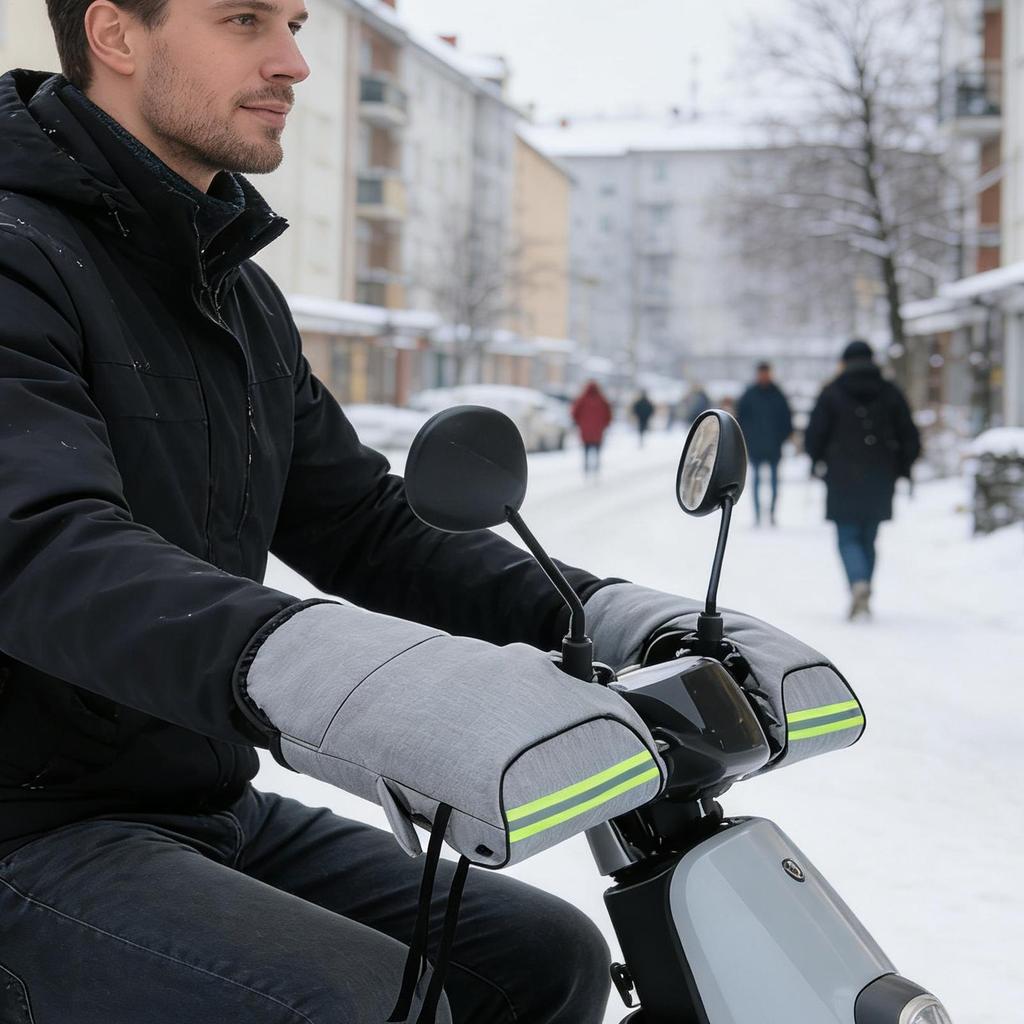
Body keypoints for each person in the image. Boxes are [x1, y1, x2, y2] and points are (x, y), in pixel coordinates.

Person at [0, 5, 848, 1022]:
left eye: (296, 22)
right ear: (116, 35)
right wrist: (350, 675)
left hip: (194, 799)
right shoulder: (18, 254)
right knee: (366, 1003)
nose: (294, 62)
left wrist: (611, 616)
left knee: (548, 959)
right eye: (243, 20)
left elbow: (367, 526)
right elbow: (42, 548)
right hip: (29, 823)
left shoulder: (235, 298)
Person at [804, 340, 921, 620]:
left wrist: (818, 459)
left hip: (842, 474)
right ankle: (865, 584)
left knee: (846, 536)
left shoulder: (832, 393)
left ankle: (857, 582)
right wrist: (902, 466)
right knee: (869, 537)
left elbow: (814, 433)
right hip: (881, 474)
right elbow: (909, 435)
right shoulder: (890, 392)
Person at [737, 361, 793, 526]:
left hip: (774, 446)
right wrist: (747, 438)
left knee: (775, 483)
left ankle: (772, 513)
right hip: (755, 446)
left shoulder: (778, 394)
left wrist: (781, 438)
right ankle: (757, 515)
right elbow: (741, 419)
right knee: (755, 482)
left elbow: (786, 419)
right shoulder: (749, 394)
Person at [571, 379, 613, 475]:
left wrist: (579, 423)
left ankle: (586, 466)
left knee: (586, 449)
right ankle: (596, 466)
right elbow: (608, 414)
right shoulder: (602, 400)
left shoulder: (582, 399)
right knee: (597, 449)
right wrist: (605, 424)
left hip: (585, 430)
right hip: (598, 431)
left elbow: (574, 412)